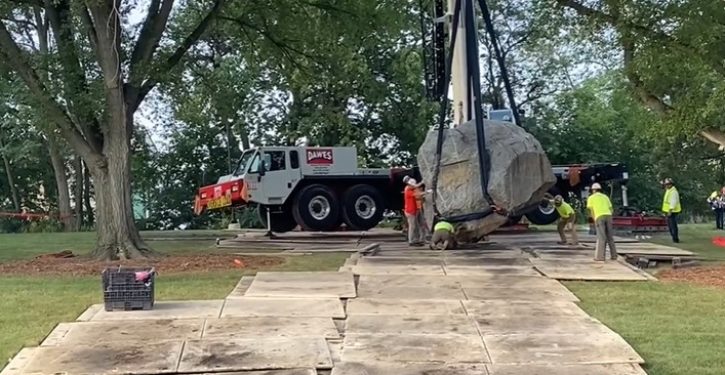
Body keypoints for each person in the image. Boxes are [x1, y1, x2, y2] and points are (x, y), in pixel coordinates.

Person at [586, 183, 618, 261]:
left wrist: (594, 219)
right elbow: (611, 209)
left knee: (601, 237)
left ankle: (600, 257)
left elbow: (592, 211)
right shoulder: (605, 197)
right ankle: (614, 256)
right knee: (610, 237)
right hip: (608, 215)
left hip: (599, 216)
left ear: (593, 190)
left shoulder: (591, 198)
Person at [402, 176, 425, 246]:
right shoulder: (408, 190)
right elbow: (417, 194)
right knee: (412, 226)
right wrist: (427, 192)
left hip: (414, 210)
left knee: (417, 225)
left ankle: (417, 240)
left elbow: (415, 186)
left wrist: (421, 182)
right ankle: (411, 241)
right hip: (410, 211)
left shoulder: (410, 188)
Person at [662, 178, 681, 243]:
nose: (666, 186)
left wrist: (670, 210)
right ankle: (674, 237)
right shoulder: (668, 190)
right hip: (668, 210)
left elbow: (673, 202)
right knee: (670, 225)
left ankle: (675, 239)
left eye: (668, 184)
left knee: (672, 225)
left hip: (672, 211)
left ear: (671, 184)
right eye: (666, 184)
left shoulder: (673, 192)